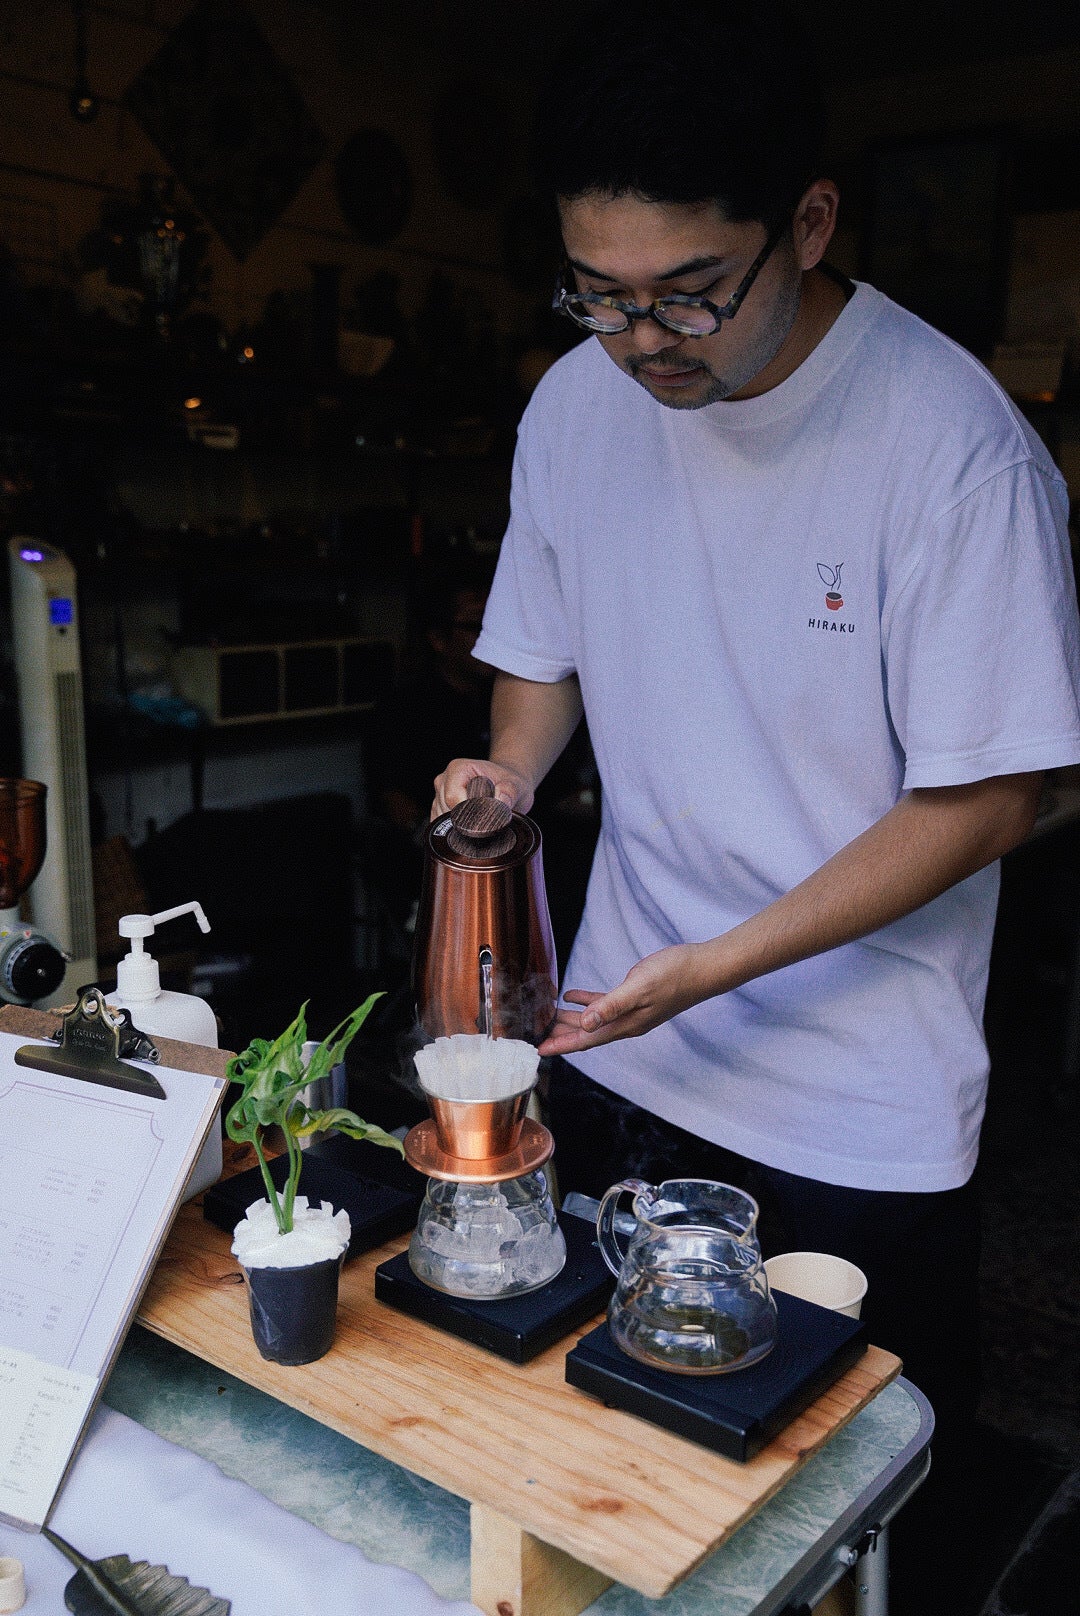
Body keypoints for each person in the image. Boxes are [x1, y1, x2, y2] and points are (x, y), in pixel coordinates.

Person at [433, 7, 1080, 1605]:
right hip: (619, 1048)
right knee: (606, 1494)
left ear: (809, 221)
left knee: (838, 1538)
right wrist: (508, 779)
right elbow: (541, 657)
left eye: (687, 292)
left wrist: (720, 963)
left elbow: (997, 796)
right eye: (597, 293)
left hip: (855, 1108)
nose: (641, 339)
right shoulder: (575, 404)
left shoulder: (952, 448)